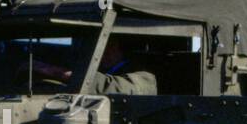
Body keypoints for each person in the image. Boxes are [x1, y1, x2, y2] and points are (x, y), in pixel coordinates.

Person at [27, 36, 158, 96]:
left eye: (110, 45)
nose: (104, 51)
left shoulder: (145, 76)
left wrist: (57, 72)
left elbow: (116, 88)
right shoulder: (100, 68)